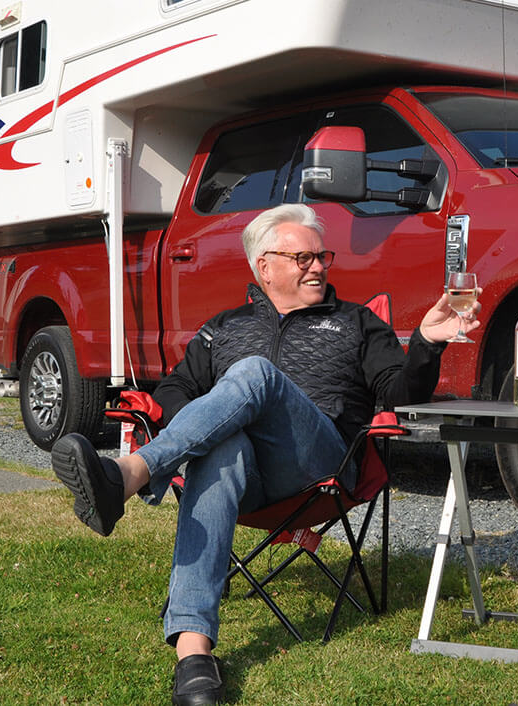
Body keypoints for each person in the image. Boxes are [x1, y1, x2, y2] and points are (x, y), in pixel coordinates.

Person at [50, 203, 478, 706]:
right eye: (302, 258)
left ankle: (127, 476)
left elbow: (398, 393)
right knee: (222, 447)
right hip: (246, 479)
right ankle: (194, 655)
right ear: (264, 266)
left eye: (321, 256)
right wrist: (209, 423)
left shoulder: (356, 323)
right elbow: (174, 391)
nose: (317, 266)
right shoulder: (223, 328)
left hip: (321, 465)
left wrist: (426, 342)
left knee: (254, 375)